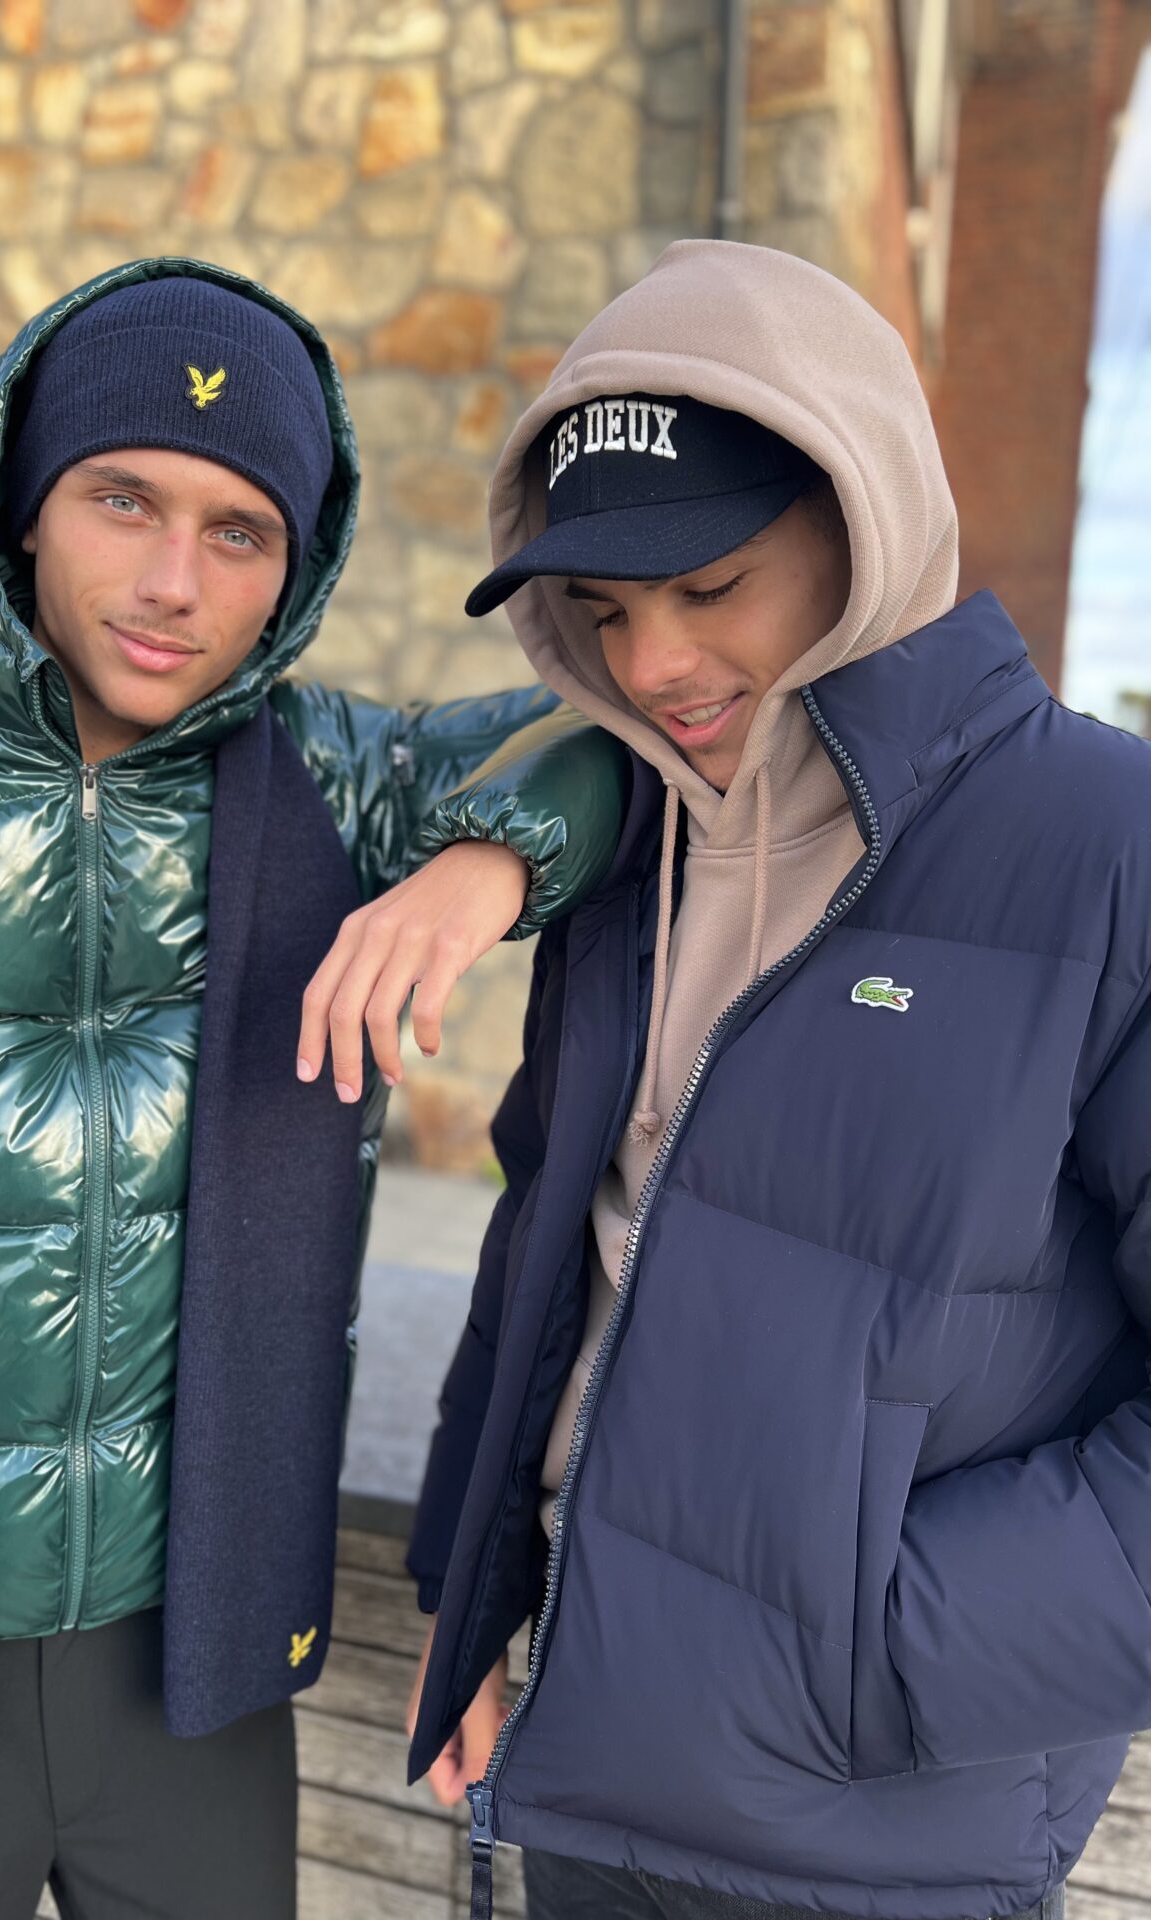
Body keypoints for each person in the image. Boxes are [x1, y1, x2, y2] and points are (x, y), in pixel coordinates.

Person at [0, 260, 623, 1920]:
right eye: (122, 498)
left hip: (191, 1664)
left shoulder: (338, 785)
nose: (172, 583)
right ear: (20, 504)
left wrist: (484, 864)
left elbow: (625, 727)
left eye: (239, 531)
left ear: (298, 567)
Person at [346, 239, 1150, 1920]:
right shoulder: (625, 848)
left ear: (863, 523)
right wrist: (467, 1598)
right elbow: (545, 1254)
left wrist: (872, 1650)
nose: (654, 664)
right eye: (606, 611)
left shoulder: (1105, 847)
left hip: (882, 1846)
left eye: (710, 587)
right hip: (578, 1782)